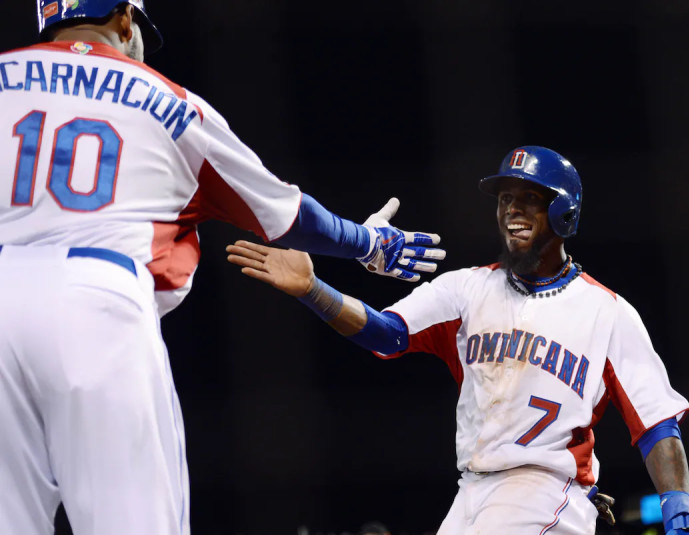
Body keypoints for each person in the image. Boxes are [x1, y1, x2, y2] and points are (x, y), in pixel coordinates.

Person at [0, 2, 445, 534]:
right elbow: (289, 216)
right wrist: (367, 242)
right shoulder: (168, 101)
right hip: (99, 301)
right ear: (123, 19)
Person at [227, 146, 689, 535]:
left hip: (545, 490)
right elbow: (387, 334)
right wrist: (313, 290)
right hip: (471, 491)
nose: (512, 209)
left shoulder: (607, 312)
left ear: (564, 212)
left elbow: (657, 424)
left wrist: (680, 514)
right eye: (505, 198)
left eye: (529, 197)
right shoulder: (466, 289)